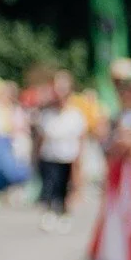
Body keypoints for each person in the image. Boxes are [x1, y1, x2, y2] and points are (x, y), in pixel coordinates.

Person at [35, 71, 87, 231]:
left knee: (65, 187)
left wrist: (79, 162)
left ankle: (64, 213)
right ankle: (49, 213)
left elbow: (81, 140)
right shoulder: (46, 114)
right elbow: (40, 138)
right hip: (49, 157)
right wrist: (35, 157)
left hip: (68, 157)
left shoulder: (75, 115)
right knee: (50, 186)